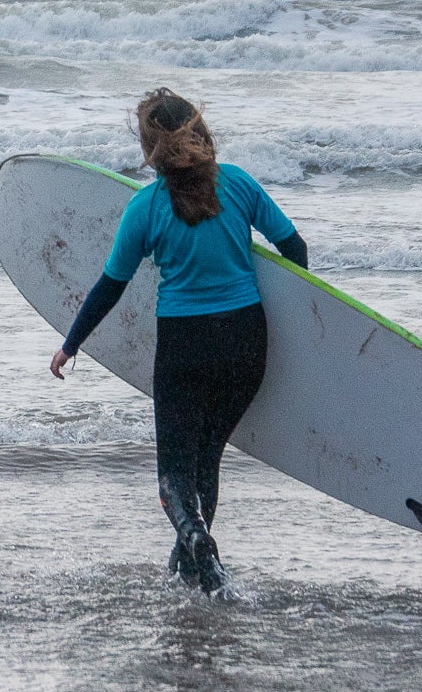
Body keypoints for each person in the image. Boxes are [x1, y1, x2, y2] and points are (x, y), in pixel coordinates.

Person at [47, 89, 309, 599]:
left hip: (185, 348)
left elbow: (110, 286)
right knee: (206, 457)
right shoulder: (240, 185)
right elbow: (294, 249)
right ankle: (191, 573)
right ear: (200, 131)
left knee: (173, 479)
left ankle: (197, 546)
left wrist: (71, 343)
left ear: (150, 149)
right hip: (246, 342)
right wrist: (300, 326)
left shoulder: (145, 208)